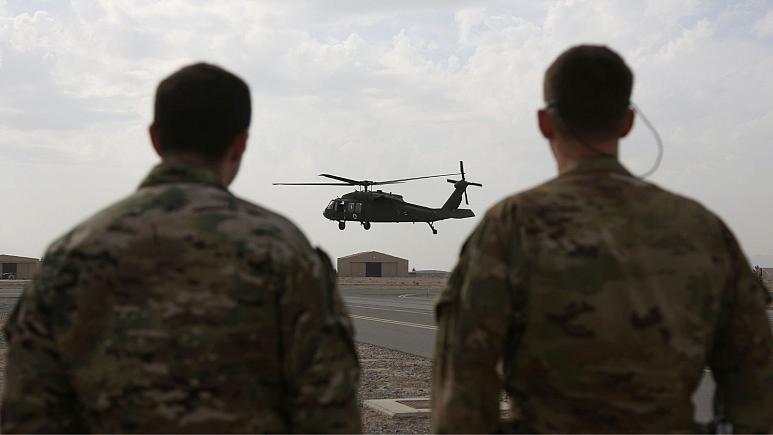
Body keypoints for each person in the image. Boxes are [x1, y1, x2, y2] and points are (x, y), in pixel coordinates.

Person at [2, 63, 361, 433]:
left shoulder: (70, 254)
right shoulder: (285, 251)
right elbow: (329, 411)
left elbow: (28, 414)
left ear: (155, 139)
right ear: (240, 143)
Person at [431, 45, 773, 433]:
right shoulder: (702, 228)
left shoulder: (509, 226)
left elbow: (459, 400)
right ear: (627, 122)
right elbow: (755, 382)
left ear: (545, 123)